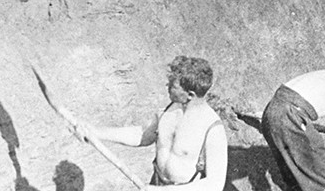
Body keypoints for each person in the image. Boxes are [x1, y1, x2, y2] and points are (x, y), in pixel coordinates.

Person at [78, 56, 228, 189]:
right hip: (157, 183)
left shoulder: (212, 129)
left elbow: (214, 184)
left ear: (190, 95)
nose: (167, 87)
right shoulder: (169, 111)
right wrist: (96, 133)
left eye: (173, 86)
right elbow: (142, 135)